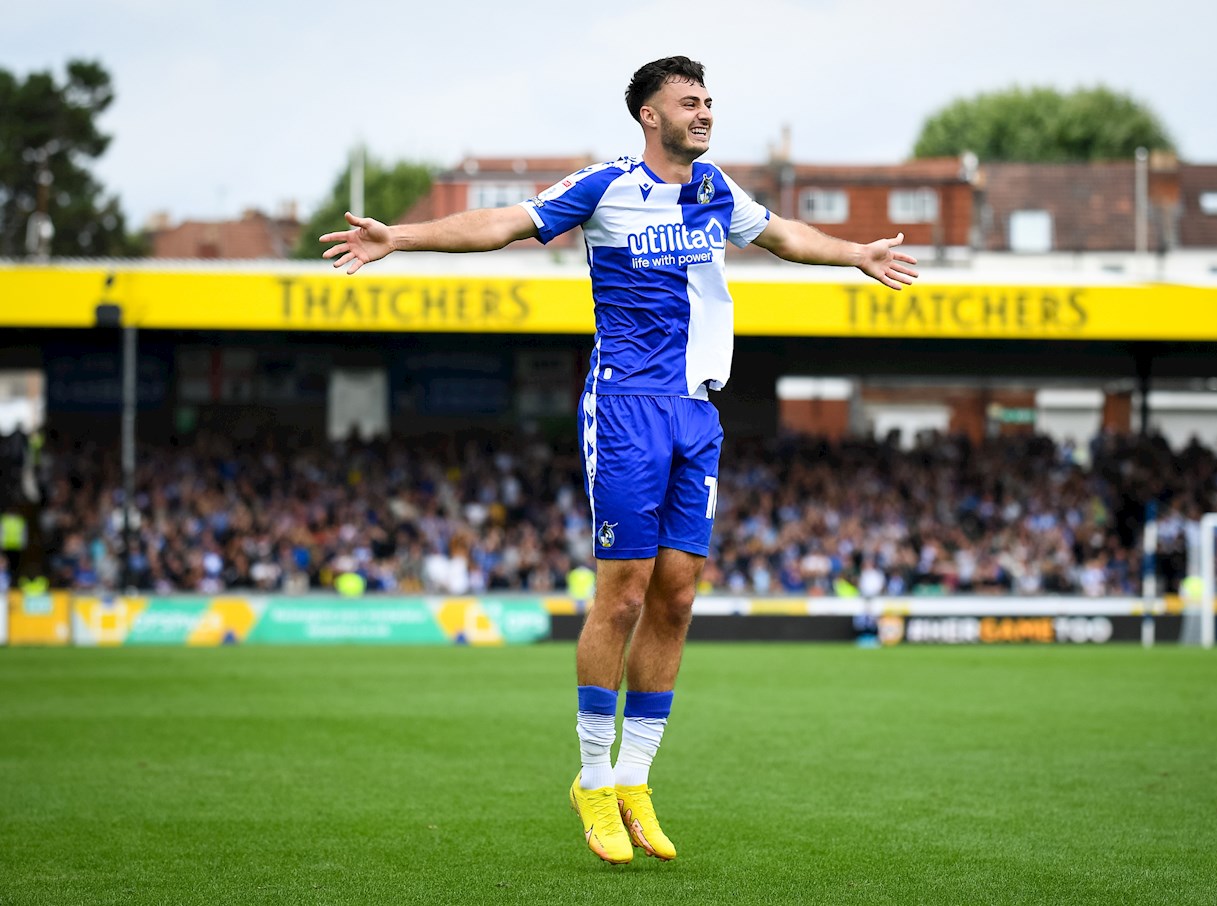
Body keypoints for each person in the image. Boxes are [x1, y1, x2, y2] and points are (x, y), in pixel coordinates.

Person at [320, 55, 919, 865]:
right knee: (623, 595)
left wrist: (856, 254)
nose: (704, 113)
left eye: (708, 100)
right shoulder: (605, 186)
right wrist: (403, 236)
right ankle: (592, 780)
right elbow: (503, 222)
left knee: (676, 597)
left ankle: (636, 780)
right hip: (627, 406)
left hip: (696, 412)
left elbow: (783, 236)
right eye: (689, 102)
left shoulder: (717, 192)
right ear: (649, 116)